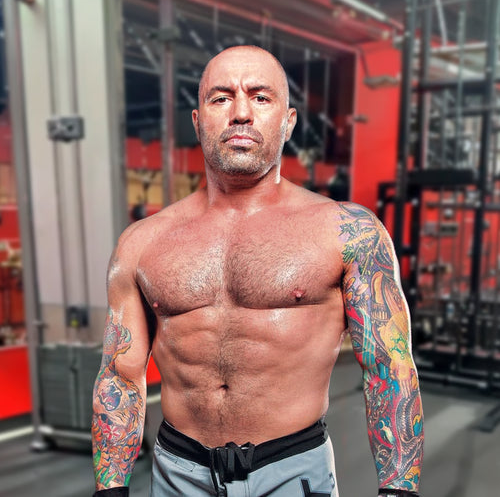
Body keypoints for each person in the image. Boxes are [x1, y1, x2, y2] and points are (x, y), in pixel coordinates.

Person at [92, 45, 424, 497]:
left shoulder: (348, 232)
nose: (241, 113)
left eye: (261, 97)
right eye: (221, 97)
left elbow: (389, 367)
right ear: (197, 122)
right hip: (178, 474)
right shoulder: (141, 243)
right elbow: (120, 376)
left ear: (288, 121)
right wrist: (110, 489)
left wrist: (399, 490)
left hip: (291, 471)